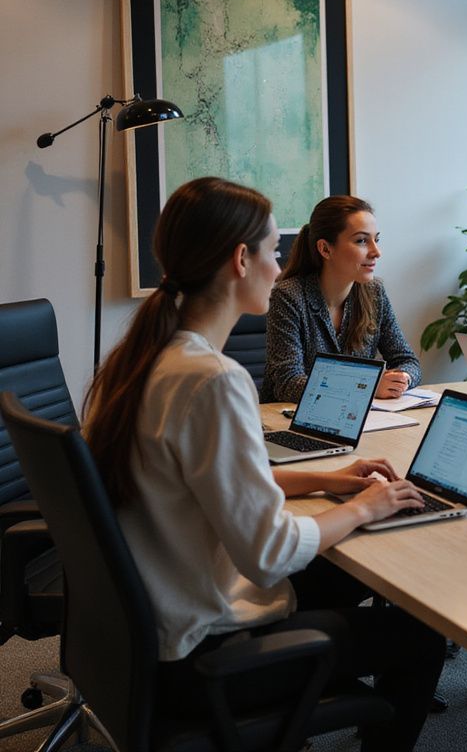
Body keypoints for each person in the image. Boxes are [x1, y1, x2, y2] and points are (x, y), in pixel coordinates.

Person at [82, 177, 444, 751]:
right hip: (206, 654)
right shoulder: (213, 381)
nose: (279, 269)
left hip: (149, 631)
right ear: (239, 259)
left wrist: (326, 480)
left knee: (340, 573)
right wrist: (362, 508)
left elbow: (205, 481)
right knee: (421, 632)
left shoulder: (137, 360)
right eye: (274, 252)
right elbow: (269, 551)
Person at [262, 195, 421, 403]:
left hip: (356, 420)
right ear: (325, 249)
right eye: (362, 241)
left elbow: (407, 360)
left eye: (377, 239)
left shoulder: (374, 292)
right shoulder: (289, 296)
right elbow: (288, 384)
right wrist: (367, 387)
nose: (376, 252)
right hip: (286, 422)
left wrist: (402, 378)